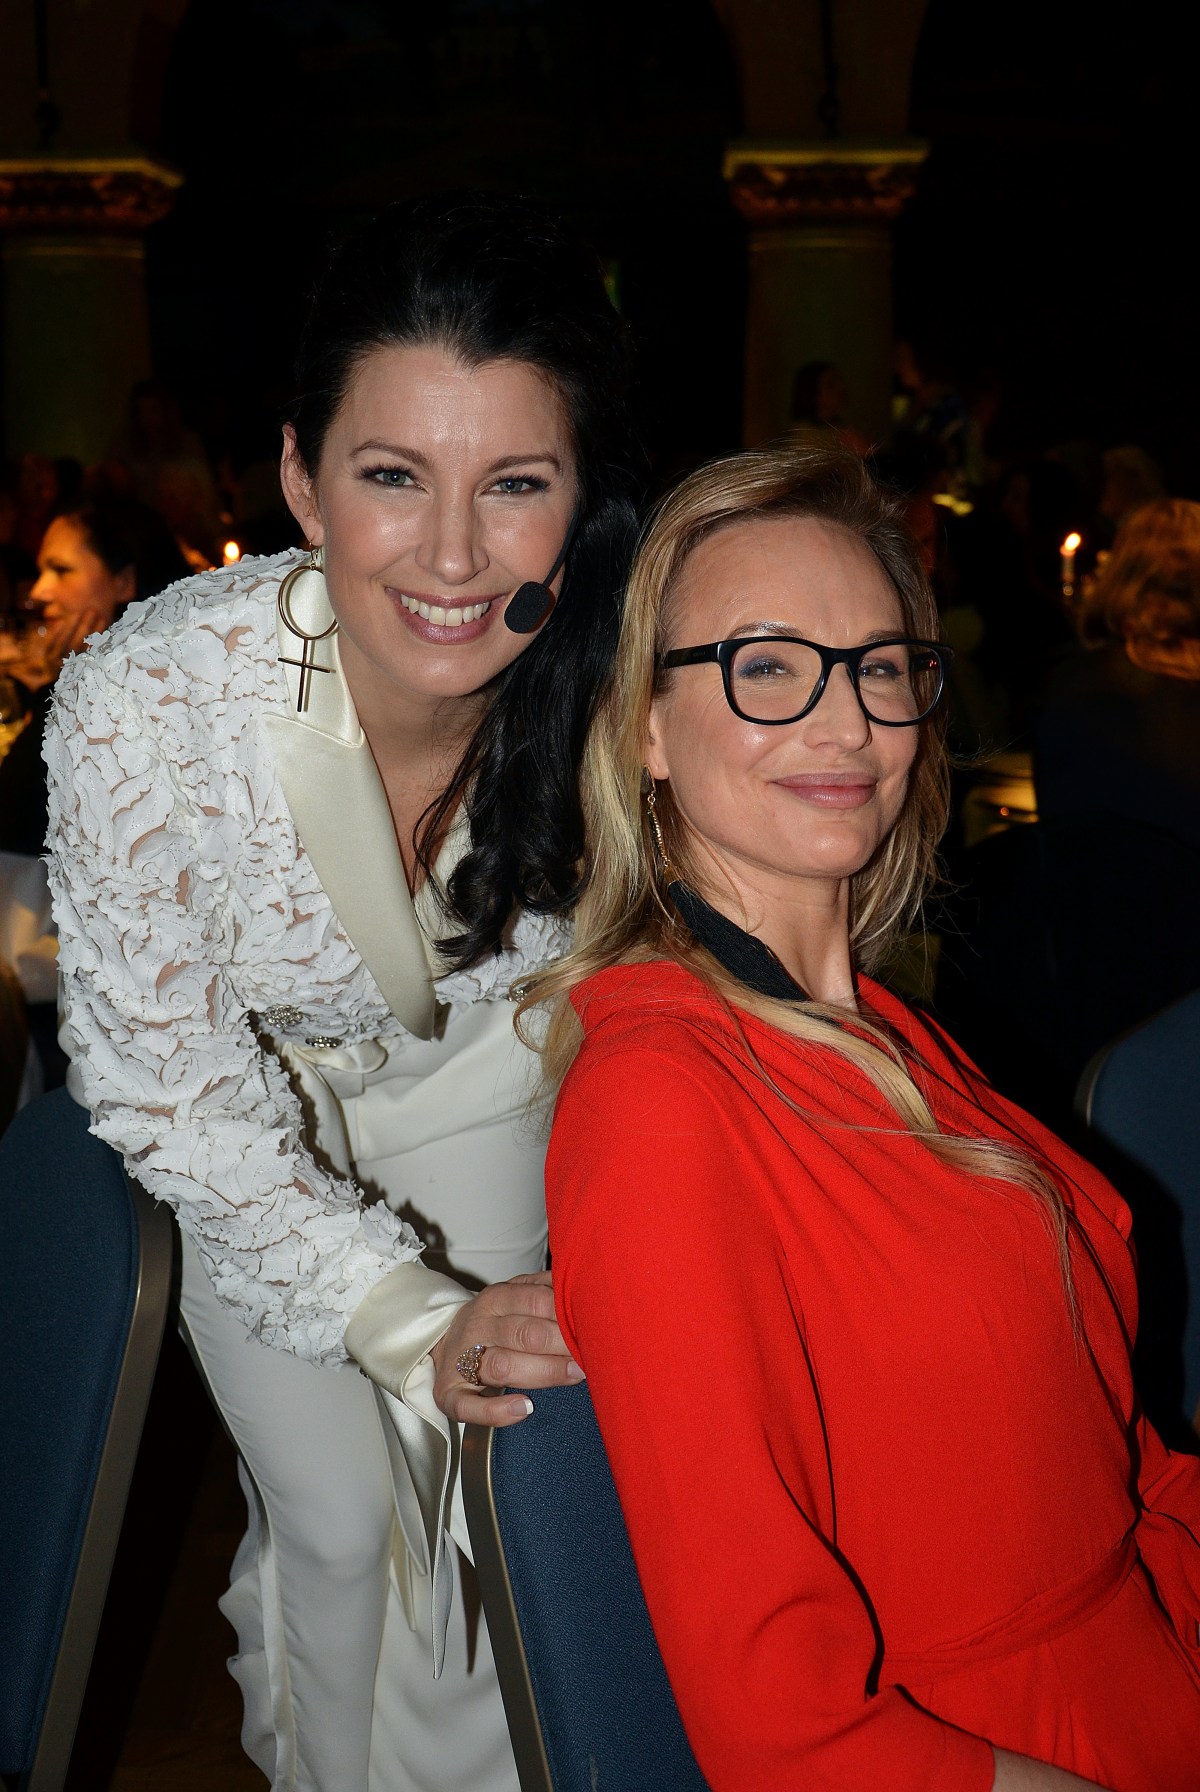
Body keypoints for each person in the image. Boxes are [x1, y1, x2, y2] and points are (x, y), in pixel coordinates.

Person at [45, 194, 641, 1792]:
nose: (451, 557)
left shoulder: (623, 686)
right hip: (244, 1120)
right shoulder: (146, 701)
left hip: (486, 1099)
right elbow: (174, 1095)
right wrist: (399, 1314)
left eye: (515, 484)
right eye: (393, 476)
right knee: (335, 1518)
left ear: (579, 499)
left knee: (486, 1519)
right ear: (303, 478)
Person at [524, 442, 1200, 1791]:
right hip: (1016, 1749)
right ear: (644, 725)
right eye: (767, 666)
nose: (848, 724)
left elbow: (1103, 1449)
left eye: (882, 666)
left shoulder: (886, 1031)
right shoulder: (661, 1101)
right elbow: (777, 1723)